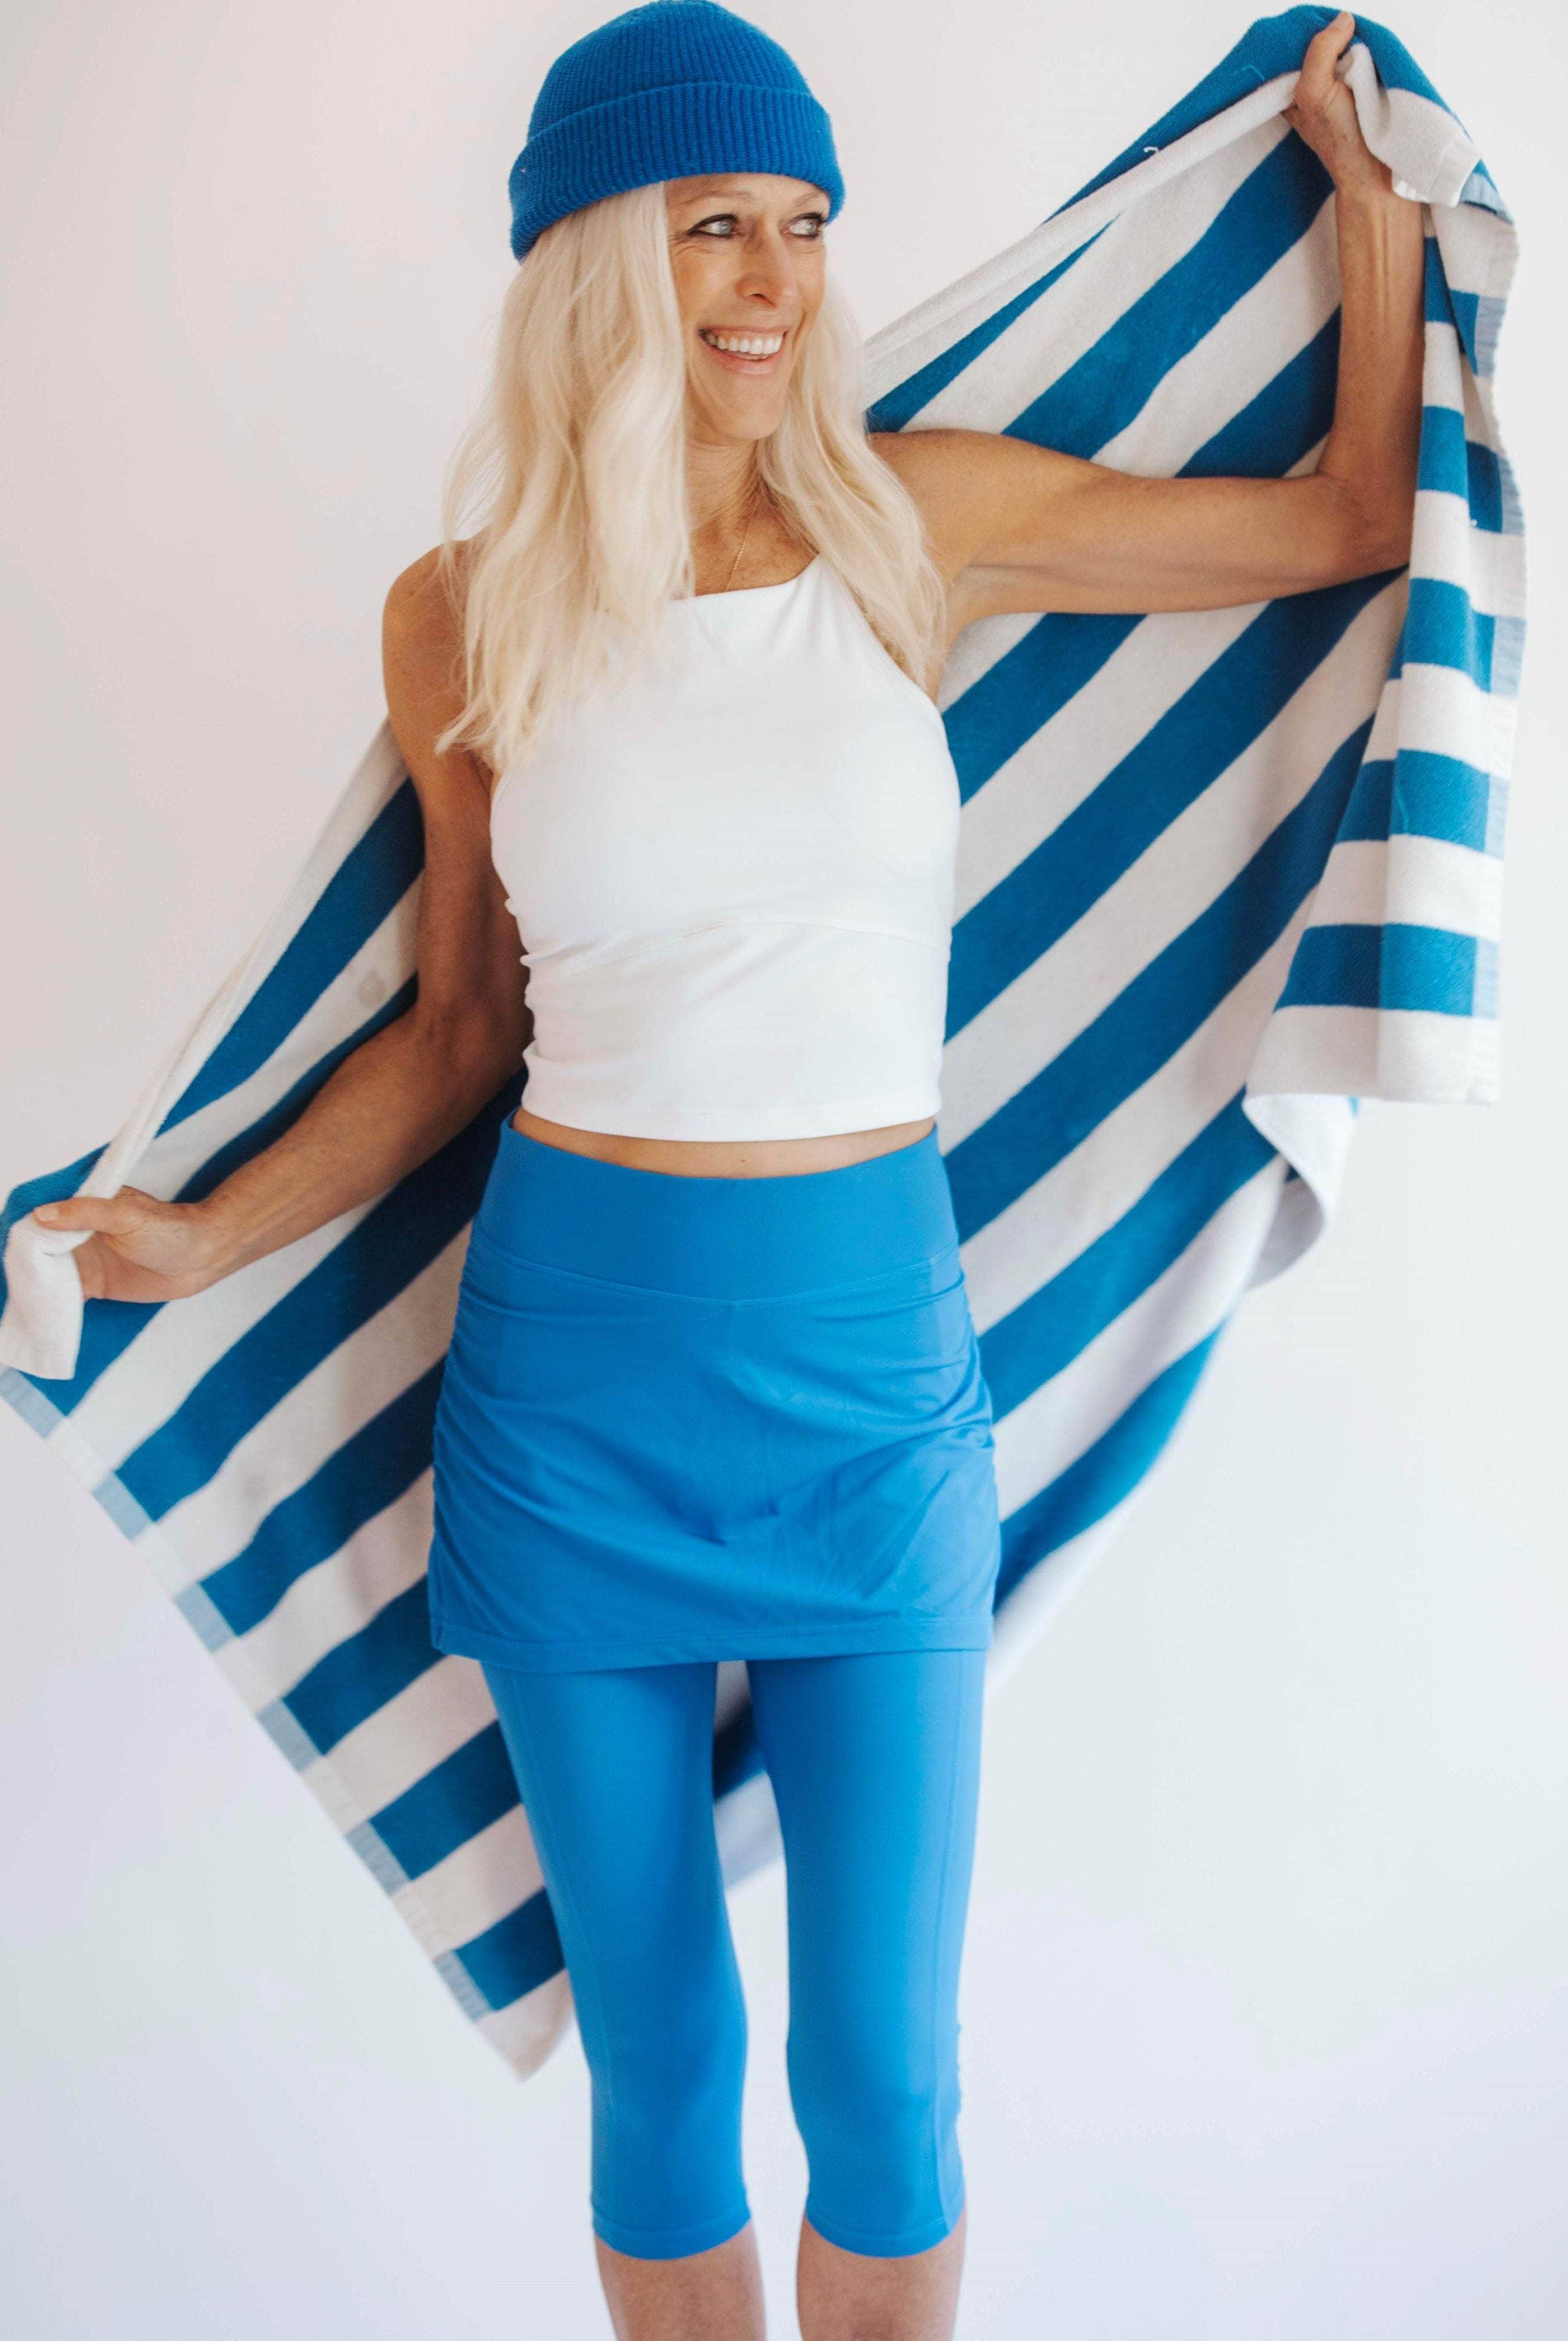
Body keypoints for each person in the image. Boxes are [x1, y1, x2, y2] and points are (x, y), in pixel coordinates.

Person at [29, 5, 1424, 2335]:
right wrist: (195, 1233)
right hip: (574, 1395)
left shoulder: (912, 519)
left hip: (871, 1384)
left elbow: (1341, 529)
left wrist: (1373, 228)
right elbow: (458, 1037)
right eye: (712, 227)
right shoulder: (462, 613)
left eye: (797, 226)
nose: (772, 276)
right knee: (663, 2061)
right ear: (595, 258)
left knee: (883, 2072)